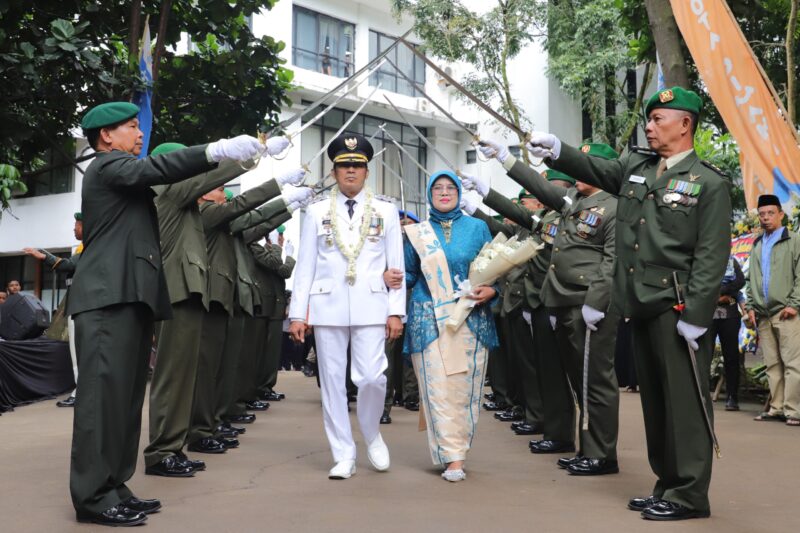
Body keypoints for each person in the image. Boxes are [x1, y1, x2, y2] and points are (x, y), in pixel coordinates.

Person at [527, 87, 731, 520]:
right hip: (640, 302)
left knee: (685, 405)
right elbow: (595, 168)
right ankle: (668, 484)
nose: (650, 127)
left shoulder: (709, 183)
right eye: (649, 119)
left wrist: (696, 316)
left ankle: (690, 494)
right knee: (656, 404)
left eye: (659, 119)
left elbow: (711, 256)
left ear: (685, 124)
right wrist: (558, 151)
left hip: (676, 308)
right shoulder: (638, 166)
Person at [66, 101, 264, 527]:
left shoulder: (126, 177)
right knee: (102, 404)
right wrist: (217, 149)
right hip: (106, 299)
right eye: (131, 127)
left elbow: (167, 183)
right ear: (106, 137)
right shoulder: (106, 167)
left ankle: (115, 485)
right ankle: (92, 498)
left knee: (125, 401)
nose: (140, 134)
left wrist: (246, 157)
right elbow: (158, 170)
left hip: (130, 297)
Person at [142, 139, 297, 476]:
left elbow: (245, 212)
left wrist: (285, 195)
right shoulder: (167, 192)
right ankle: (164, 448)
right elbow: (230, 199)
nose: (219, 190)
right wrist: (254, 156)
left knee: (193, 376)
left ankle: (176, 443)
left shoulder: (189, 207)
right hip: (177, 294)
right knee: (176, 377)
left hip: (192, 293)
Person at [474, 141, 621, 476]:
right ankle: (577, 442)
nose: (578, 171)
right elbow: (536, 193)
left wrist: (596, 302)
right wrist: (505, 159)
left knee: (593, 383)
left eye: (587, 165)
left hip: (587, 303)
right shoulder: (574, 202)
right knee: (568, 379)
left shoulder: (614, 205)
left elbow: (612, 261)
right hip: (561, 300)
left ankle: (600, 452)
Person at [288, 133, 405, 480]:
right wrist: (298, 313)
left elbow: (395, 266)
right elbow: (306, 264)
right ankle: (343, 453)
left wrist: (396, 310)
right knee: (333, 384)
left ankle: (372, 434)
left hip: (372, 303)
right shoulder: (317, 210)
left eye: (357, 165)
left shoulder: (385, 211)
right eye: (344, 166)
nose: (350, 171)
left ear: (367, 171)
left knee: (371, 376)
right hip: (327, 305)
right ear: (334, 171)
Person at [461, 171, 577, 456]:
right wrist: (473, 205)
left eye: (539, 194)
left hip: (549, 300)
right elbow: (501, 221)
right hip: (529, 302)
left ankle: (566, 433)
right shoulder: (540, 222)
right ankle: (544, 422)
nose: (535, 200)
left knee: (557, 374)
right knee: (536, 369)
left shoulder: (565, 216)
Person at [403, 170, 499, 482]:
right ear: (429, 194)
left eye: (450, 188)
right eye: (438, 188)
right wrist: (387, 278)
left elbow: (493, 270)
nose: (444, 193)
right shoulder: (417, 232)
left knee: (463, 390)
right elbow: (406, 274)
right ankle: (451, 457)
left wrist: (493, 291)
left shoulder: (478, 228)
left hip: (470, 317)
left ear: (458, 192)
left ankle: (459, 450)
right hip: (427, 317)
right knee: (437, 389)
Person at [746, 194, 800, 426]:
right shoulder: (758, 243)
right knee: (772, 364)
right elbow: (750, 278)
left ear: (781, 214)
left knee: (792, 363)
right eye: (762, 214)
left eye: (770, 213)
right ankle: (776, 408)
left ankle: (793, 410)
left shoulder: (794, 240)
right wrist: (750, 306)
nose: (766, 218)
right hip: (763, 313)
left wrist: (794, 304)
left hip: (786, 311)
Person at [23, 211, 84, 407]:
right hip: (81, 305)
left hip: (80, 307)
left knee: (78, 354)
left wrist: (44, 256)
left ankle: (79, 393)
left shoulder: (87, 248)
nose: (74, 228)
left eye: (77, 225)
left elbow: (67, 265)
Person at [712, 254, 745, 411]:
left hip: (730, 316)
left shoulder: (731, 261)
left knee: (731, 356)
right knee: (703, 355)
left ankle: (732, 396)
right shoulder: (703, 258)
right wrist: (720, 295)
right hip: (707, 315)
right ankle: (700, 394)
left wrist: (721, 291)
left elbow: (740, 281)